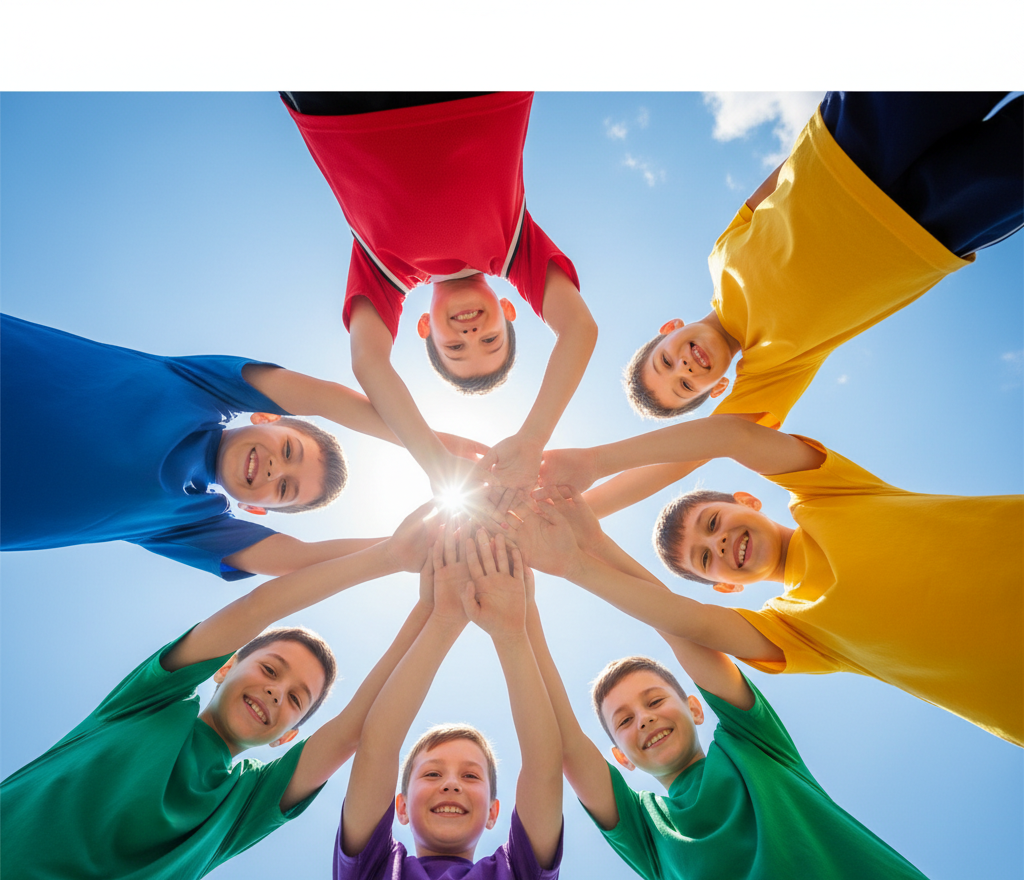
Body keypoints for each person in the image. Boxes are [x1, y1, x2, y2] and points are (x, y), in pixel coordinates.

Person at [506, 488, 1004, 880]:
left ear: (697, 709)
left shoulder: (752, 743)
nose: (645, 719)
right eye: (625, 721)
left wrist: (591, 547)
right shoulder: (647, 833)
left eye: (654, 700)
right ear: (621, 757)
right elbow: (565, 740)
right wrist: (520, 613)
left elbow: (680, 625)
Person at [0, 501, 438, 880]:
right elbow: (256, 608)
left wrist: (433, 611)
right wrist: (388, 557)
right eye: (270, 669)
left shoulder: (245, 801)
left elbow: (350, 732)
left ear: (285, 738)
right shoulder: (151, 700)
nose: (275, 691)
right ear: (225, 666)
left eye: (295, 700)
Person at [584, 91, 1023, 517]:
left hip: (849, 145)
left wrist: (821, 131)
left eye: (666, 362)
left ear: (669, 327)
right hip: (928, 228)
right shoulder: (771, 373)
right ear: (717, 389)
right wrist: (588, 500)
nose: (684, 368)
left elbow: (767, 193)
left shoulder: (720, 258)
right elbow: (685, 457)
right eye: (686, 387)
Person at [525, 452, 1022, 748]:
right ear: (726, 587)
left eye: (713, 523)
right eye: (705, 559)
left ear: (747, 499)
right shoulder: (796, 629)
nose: (717, 544)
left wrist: (600, 467)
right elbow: (686, 620)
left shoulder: (826, 495)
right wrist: (581, 557)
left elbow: (732, 435)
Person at [281, 91, 598, 501]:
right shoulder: (517, 245)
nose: (470, 333)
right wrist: (533, 437)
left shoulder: (382, 270)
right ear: (507, 309)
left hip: (343, 113)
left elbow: (368, 363)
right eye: (490, 340)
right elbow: (579, 329)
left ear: (425, 326)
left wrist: (435, 460)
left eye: (454, 347)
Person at [0, 312, 482, 578]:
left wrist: (408, 548)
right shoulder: (200, 387)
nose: (275, 471)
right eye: (289, 451)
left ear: (256, 511)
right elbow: (325, 401)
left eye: (285, 490)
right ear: (269, 416)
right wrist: (439, 450)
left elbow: (301, 559)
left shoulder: (188, 524)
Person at [334, 524, 563, 880]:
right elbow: (377, 747)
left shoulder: (520, 878)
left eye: (471, 775)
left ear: (495, 812)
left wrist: (512, 634)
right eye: (433, 772)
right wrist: (443, 619)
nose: (451, 784)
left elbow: (544, 766)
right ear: (399, 805)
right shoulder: (369, 872)